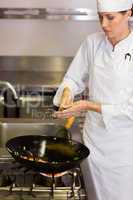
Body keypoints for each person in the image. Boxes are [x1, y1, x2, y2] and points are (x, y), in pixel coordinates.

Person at [53, 0, 133, 199]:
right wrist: (67, 94)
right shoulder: (92, 42)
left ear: (128, 14)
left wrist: (87, 105)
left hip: (124, 153)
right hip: (93, 146)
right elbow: (72, 78)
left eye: (110, 17)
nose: (104, 24)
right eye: (100, 17)